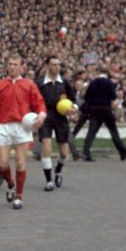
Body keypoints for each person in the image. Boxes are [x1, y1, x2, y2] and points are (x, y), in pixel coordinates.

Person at [0, 55, 46, 210]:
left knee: (20, 162)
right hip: (3, 126)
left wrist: (41, 116)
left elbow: (39, 103)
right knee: (2, 162)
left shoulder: (29, 85)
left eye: (15, 64)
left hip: (22, 126)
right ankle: (11, 183)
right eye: (10, 64)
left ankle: (18, 196)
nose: (12, 67)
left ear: (22, 67)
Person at [36, 56, 77, 189]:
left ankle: (58, 171)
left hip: (61, 118)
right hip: (45, 117)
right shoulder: (40, 83)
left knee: (64, 153)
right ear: (47, 66)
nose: (57, 67)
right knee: (46, 148)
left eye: (59, 64)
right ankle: (49, 181)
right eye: (54, 64)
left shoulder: (64, 83)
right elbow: (34, 101)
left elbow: (74, 101)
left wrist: (73, 109)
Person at [82, 69, 126, 161]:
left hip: (94, 109)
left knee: (91, 132)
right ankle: (123, 152)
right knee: (113, 131)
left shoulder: (92, 83)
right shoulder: (108, 82)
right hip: (105, 109)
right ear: (107, 74)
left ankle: (86, 153)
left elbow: (86, 97)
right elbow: (113, 97)